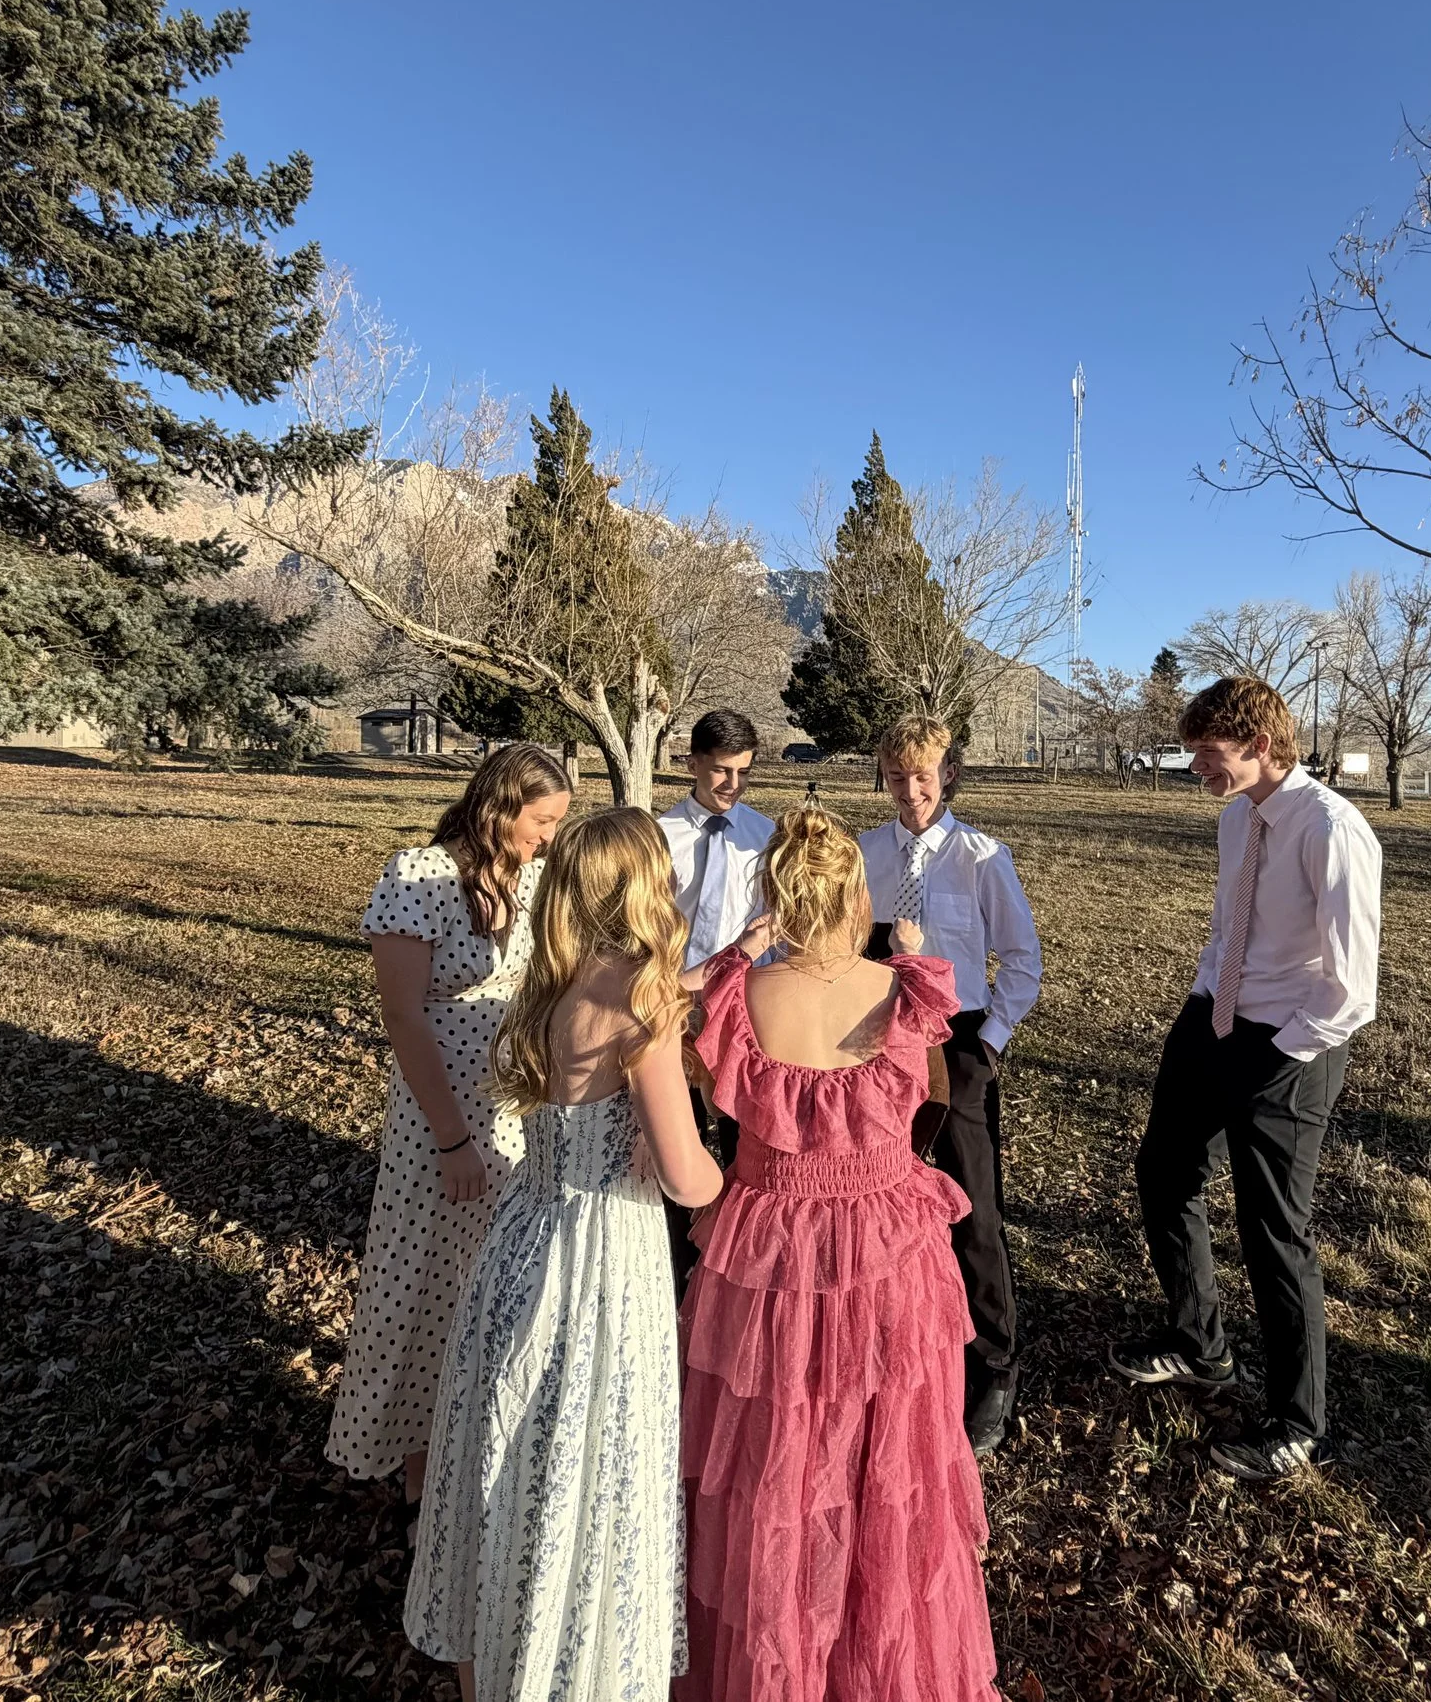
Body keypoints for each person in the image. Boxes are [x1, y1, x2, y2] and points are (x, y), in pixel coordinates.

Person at [676, 803, 999, 1702]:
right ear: (856, 892)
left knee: (777, 1460)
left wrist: (743, 947)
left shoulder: (734, 999)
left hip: (770, 1258)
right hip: (888, 1250)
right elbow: (929, 1105)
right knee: (886, 1453)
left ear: (774, 895)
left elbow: (666, 1013)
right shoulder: (908, 990)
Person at [404, 808, 724, 1701]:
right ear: (643, 886)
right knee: (589, 1462)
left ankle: (494, 1662)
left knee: (508, 1454)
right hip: (601, 1259)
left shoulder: (549, 985)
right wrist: (725, 1178)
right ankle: (571, 1664)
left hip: (520, 1241)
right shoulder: (642, 1005)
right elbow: (683, 1174)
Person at [1106, 676, 1381, 1481]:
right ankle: (1200, 1345)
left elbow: (1351, 983)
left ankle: (1299, 1422)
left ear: (1260, 744)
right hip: (1214, 1022)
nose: (1196, 765)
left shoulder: (1332, 828)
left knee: (1273, 1229)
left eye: (1207, 751)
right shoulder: (1238, 819)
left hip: (1294, 1043)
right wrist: (1204, 1002)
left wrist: (1281, 1050)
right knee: (1164, 1171)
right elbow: (1232, 924)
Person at [324, 742, 572, 1510]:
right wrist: (451, 1139)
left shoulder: (531, 879)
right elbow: (402, 1016)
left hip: (516, 1113)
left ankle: (478, 1449)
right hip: (443, 1119)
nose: (550, 838)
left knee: (494, 1288)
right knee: (425, 1286)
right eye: (542, 821)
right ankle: (417, 1466)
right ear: (499, 808)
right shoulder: (418, 876)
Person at [856, 714, 1042, 1456]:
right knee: (884, 1194)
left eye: (923, 776)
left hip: (958, 1041)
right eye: (897, 777)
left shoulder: (980, 856)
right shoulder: (866, 852)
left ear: (949, 774)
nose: (910, 792)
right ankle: (898, 1338)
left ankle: (994, 1360)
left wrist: (987, 1046)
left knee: (973, 1204)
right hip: (879, 1039)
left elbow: (1021, 960)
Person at [657, 708, 777, 971]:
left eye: (743, 772)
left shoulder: (769, 835)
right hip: (674, 984)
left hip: (746, 985)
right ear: (693, 765)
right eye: (722, 770)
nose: (733, 784)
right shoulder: (659, 836)